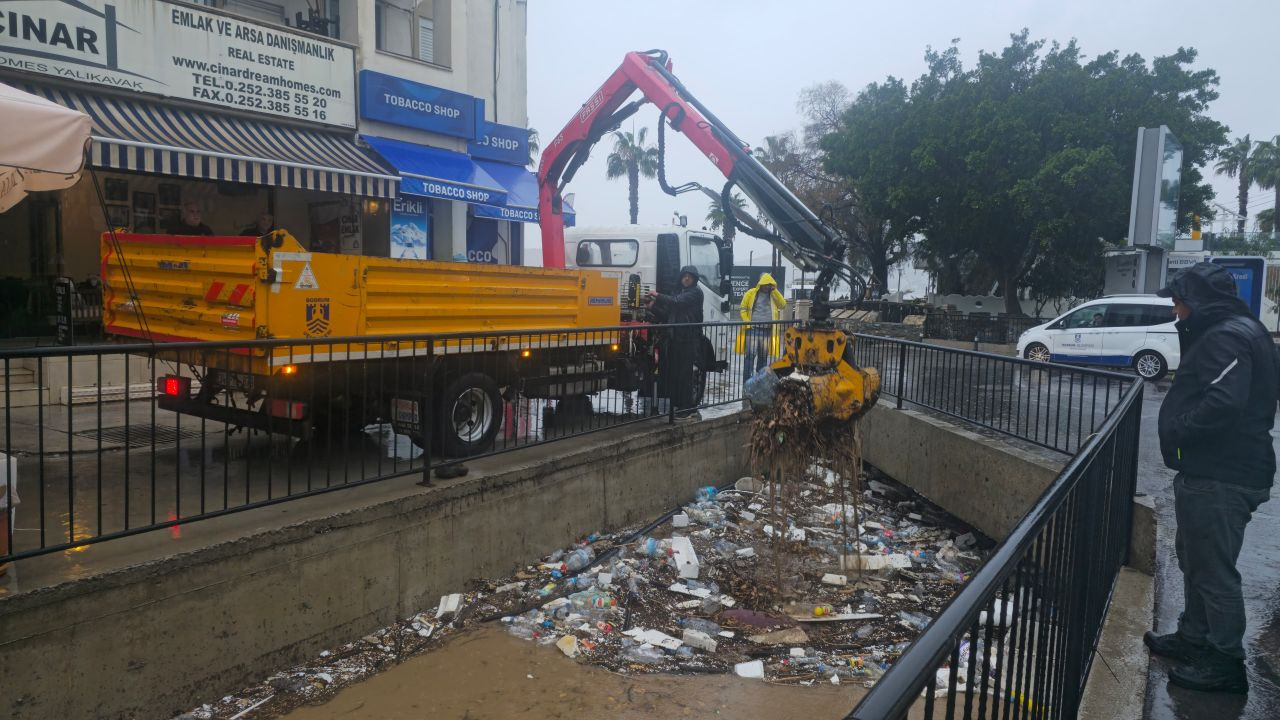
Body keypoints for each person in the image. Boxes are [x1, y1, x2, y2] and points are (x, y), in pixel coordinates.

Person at [1144, 262, 1277, 694]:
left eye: (1179, 301)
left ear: (1197, 300)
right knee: (1195, 559)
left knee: (1214, 572)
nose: (1176, 310)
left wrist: (1180, 428)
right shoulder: (1243, 329)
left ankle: (1224, 662)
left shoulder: (1226, 336)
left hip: (1222, 474)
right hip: (1219, 470)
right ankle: (1193, 636)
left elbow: (1223, 402)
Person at [647, 266, 704, 420]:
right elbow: (668, 315)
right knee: (676, 374)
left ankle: (688, 408)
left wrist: (657, 295)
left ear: (694, 279)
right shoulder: (679, 293)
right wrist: (653, 308)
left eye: (690, 276)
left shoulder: (696, 293)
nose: (686, 278)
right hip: (675, 339)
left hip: (688, 339)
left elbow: (677, 302)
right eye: (684, 276)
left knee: (685, 375)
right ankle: (680, 406)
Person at [737, 272, 787, 386]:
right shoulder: (751, 293)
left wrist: (775, 290)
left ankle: (759, 382)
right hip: (753, 329)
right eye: (766, 284)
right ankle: (747, 382)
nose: (768, 286)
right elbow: (743, 308)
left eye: (770, 284)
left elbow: (783, 305)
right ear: (761, 284)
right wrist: (747, 323)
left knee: (763, 358)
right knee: (750, 356)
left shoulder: (773, 295)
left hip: (767, 331)